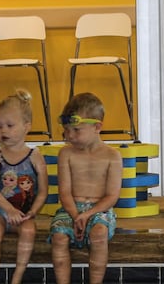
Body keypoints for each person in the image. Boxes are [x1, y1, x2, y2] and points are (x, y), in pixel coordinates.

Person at [50, 93, 123, 284]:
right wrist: (76, 215)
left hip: (100, 210)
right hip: (70, 209)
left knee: (99, 234)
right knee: (58, 237)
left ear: (97, 127)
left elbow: (112, 196)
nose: (69, 136)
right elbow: (64, 193)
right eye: (66, 130)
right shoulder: (65, 154)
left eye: (76, 130)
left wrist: (88, 214)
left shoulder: (112, 156)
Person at [0, 89, 48, 284]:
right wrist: (9, 210)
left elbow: (43, 191)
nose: (3, 131)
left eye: (10, 125)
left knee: (29, 232)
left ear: (26, 127)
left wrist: (33, 211)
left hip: (24, 213)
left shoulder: (35, 156)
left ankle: (17, 278)